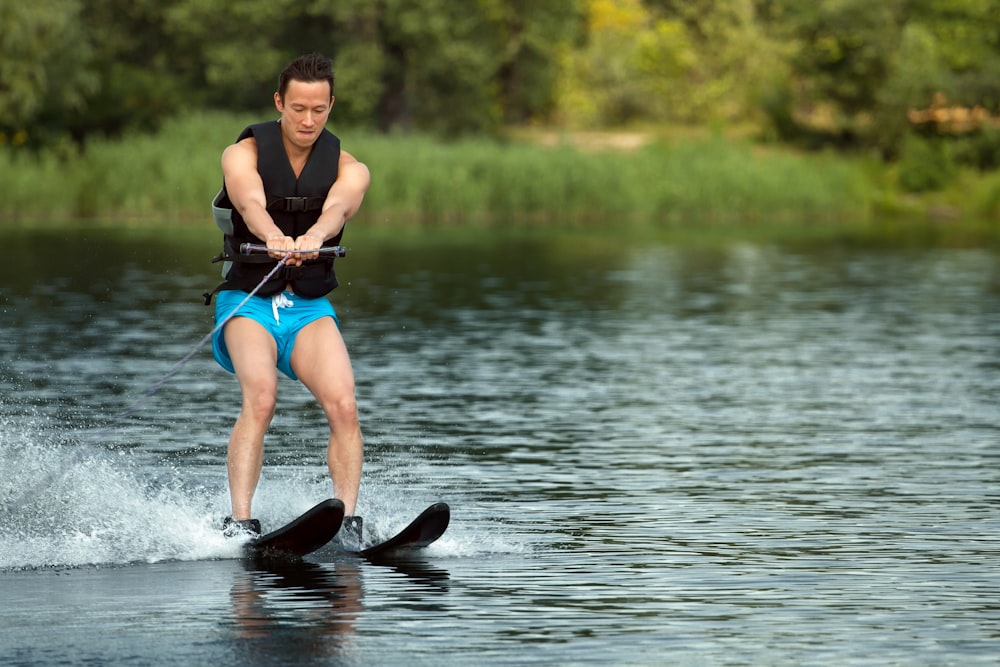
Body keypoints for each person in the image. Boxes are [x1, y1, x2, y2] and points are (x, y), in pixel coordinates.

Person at [206, 53, 371, 542]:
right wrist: (273, 234)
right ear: (280, 102)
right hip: (248, 300)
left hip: (307, 306)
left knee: (343, 406)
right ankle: (239, 522)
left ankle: (347, 521)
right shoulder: (242, 153)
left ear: (331, 106)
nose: (307, 120)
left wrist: (317, 234)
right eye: (298, 108)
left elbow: (339, 206)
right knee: (261, 396)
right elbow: (247, 198)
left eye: (319, 110)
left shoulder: (351, 168)